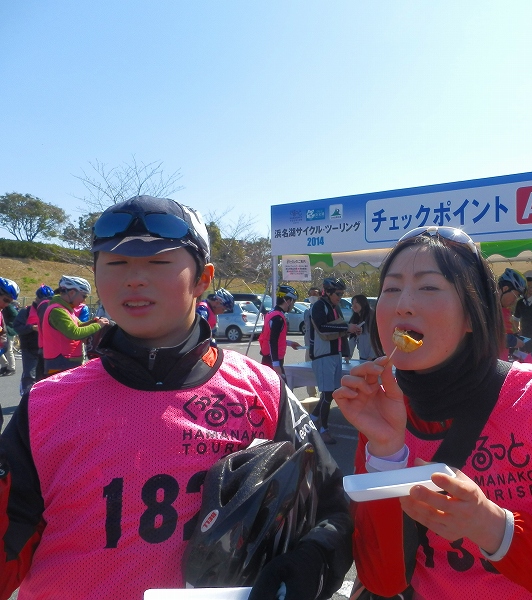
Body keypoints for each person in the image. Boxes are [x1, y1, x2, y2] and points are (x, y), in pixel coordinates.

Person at [0, 195, 352, 599]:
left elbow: (331, 509)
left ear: (203, 279)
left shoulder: (263, 390)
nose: (134, 278)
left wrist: (312, 562)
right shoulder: (47, 403)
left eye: (157, 263)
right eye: (115, 263)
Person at [333, 225, 532, 599]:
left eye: (428, 287)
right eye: (390, 288)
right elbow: (383, 580)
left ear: (473, 314)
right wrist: (387, 451)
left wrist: (492, 526)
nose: (403, 303)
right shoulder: (383, 411)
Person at [309, 277, 361, 445]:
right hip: (323, 355)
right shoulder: (318, 306)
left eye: (341, 293)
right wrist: (346, 327)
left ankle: (312, 419)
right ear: (329, 292)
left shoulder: (334, 306)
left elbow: (339, 328)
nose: (340, 296)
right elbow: (322, 327)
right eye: (338, 293)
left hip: (334, 354)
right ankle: (322, 429)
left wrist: (350, 331)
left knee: (330, 393)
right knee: (326, 393)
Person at [40, 276, 109, 376]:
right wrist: (98, 325)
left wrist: (92, 322)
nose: (84, 300)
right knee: (63, 391)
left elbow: (79, 325)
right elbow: (74, 333)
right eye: (84, 296)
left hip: (65, 361)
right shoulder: (58, 311)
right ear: (72, 293)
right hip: (61, 362)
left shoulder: (65, 309)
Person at [13, 286, 54, 397]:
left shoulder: (52, 311)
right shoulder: (25, 311)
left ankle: (41, 398)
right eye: (43, 299)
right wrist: (31, 328)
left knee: (44, 376)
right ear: (37, 299)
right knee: (29, 375)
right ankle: (27, 400)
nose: (45, 302)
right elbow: (16, 327)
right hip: (29, 348)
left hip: (46, 349)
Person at [260, 284, 301, 380]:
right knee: (282, 391)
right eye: (293, 302)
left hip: (269, 358)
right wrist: (276, 365)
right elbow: (272, 341)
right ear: (288, 301)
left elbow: (274, 337)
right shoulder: (278, 318)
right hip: (272, 360)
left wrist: (290, 343)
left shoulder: (271, 313)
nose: (293, 305)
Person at [497, 268, 525, 360]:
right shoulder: (486, 308)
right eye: (516, 295)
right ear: (505, 289)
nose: (515, 300)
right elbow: (487, 337)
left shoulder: (503, 310)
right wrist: (512, 340)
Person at [303, 287, 321, 399]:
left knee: (320, 370)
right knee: (308, 370)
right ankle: (311, 394)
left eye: (315, 294)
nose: (312, 296)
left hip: (320, 346)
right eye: (311, 294)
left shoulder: (322, 310)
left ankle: (323, 393)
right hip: (309, 346)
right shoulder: (306, 311)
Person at [0, 279, 20, 377]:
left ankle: (10, 367)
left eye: (10, 302)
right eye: (6, 300)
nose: (7, 304)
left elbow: (1, 329)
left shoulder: (1, 312)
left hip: (10, 331)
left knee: (9, 350)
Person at [348, 294, 377, 361]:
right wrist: (348, 355)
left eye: (356, 302)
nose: (354, 305)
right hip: (363, 357)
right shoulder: (355, 318)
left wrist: (371, 356)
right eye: (352, 303)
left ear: (363, 303)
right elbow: (352, 339)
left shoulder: (372, 316)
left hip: (375, 358)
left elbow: (376, 338)